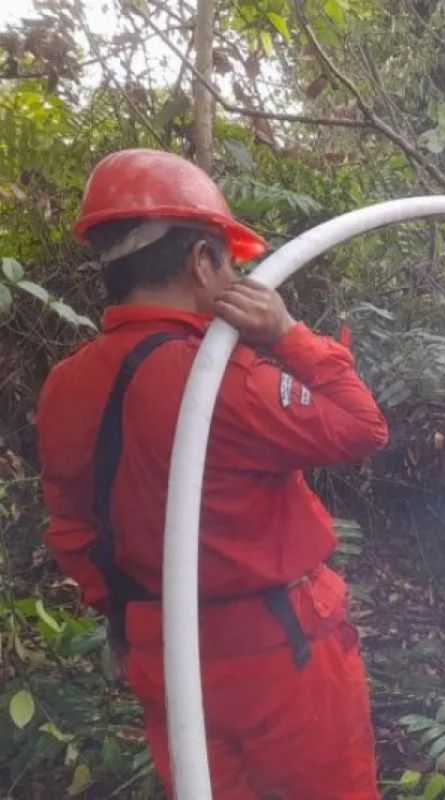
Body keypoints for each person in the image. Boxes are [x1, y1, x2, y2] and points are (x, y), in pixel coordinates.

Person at [36, 149, 388, 798]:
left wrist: (124, 617)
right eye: (229, 261)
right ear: (202, 262)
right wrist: (287, 333)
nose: (235, 275)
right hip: (281, 658)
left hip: (162, 654)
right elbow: (360, 425)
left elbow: (72, 529)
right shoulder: (218, 379)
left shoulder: (65, 385)